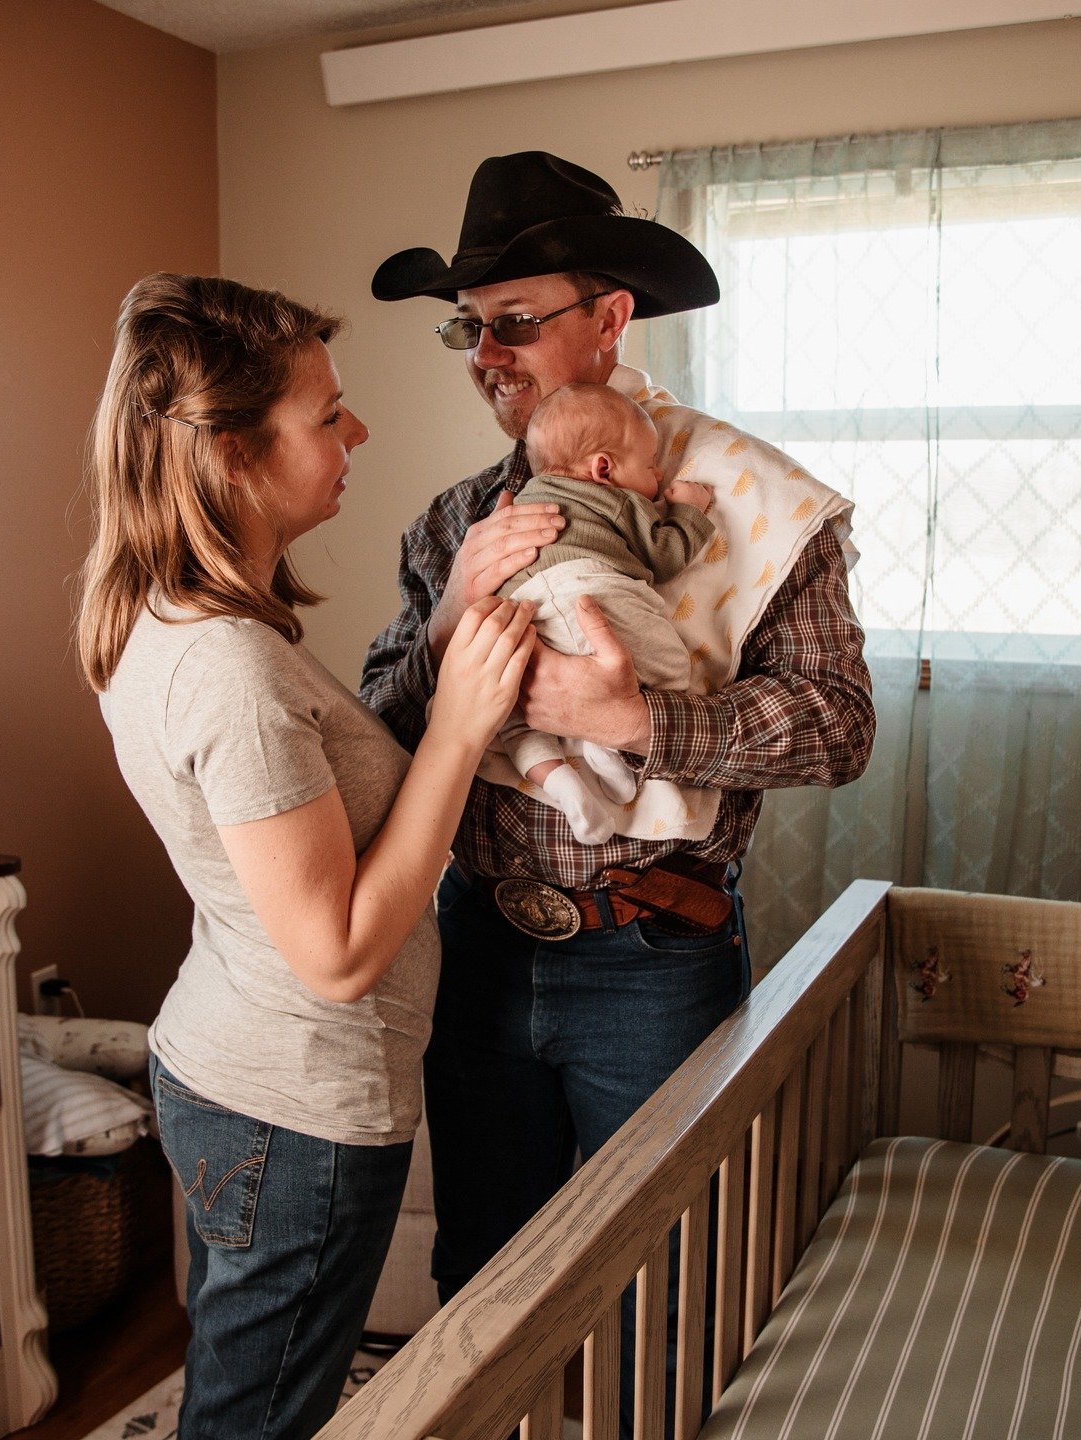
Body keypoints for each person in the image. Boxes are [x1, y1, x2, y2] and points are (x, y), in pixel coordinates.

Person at [363, 151, 875, 1428]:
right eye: (470, 329)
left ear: (610, 320)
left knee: (669, 1275)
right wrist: (442, 629)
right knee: (483, 1262)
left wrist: (640, 717)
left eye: (518, 322)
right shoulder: (449, 523)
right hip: (477, 945)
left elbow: (839, 728)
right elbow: (371, 735)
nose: (489, 353)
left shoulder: (758, 506)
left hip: (655, 953)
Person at [73, 273, 536, 1440]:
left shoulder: (183, 616)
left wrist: (440, 641)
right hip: (293, 1108)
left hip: (239, 1067)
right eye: (327, 414)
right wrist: (465, 727)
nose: (357, 432)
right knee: (257, 1416)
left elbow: (328, 799)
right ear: (233, 453)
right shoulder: (226, 666)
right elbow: (333, 954)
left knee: (252, 1387)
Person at [491, 381, 716, 844]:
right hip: (591, 593)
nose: (655, 476)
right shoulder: (618, 500)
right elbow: (665, 556)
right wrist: (689, 510)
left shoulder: (521, 500)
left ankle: (561, 781)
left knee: (509, 716)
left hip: (524, 613)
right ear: (604, 469)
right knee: (671, 668)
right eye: (651, 466)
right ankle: (603, 744)